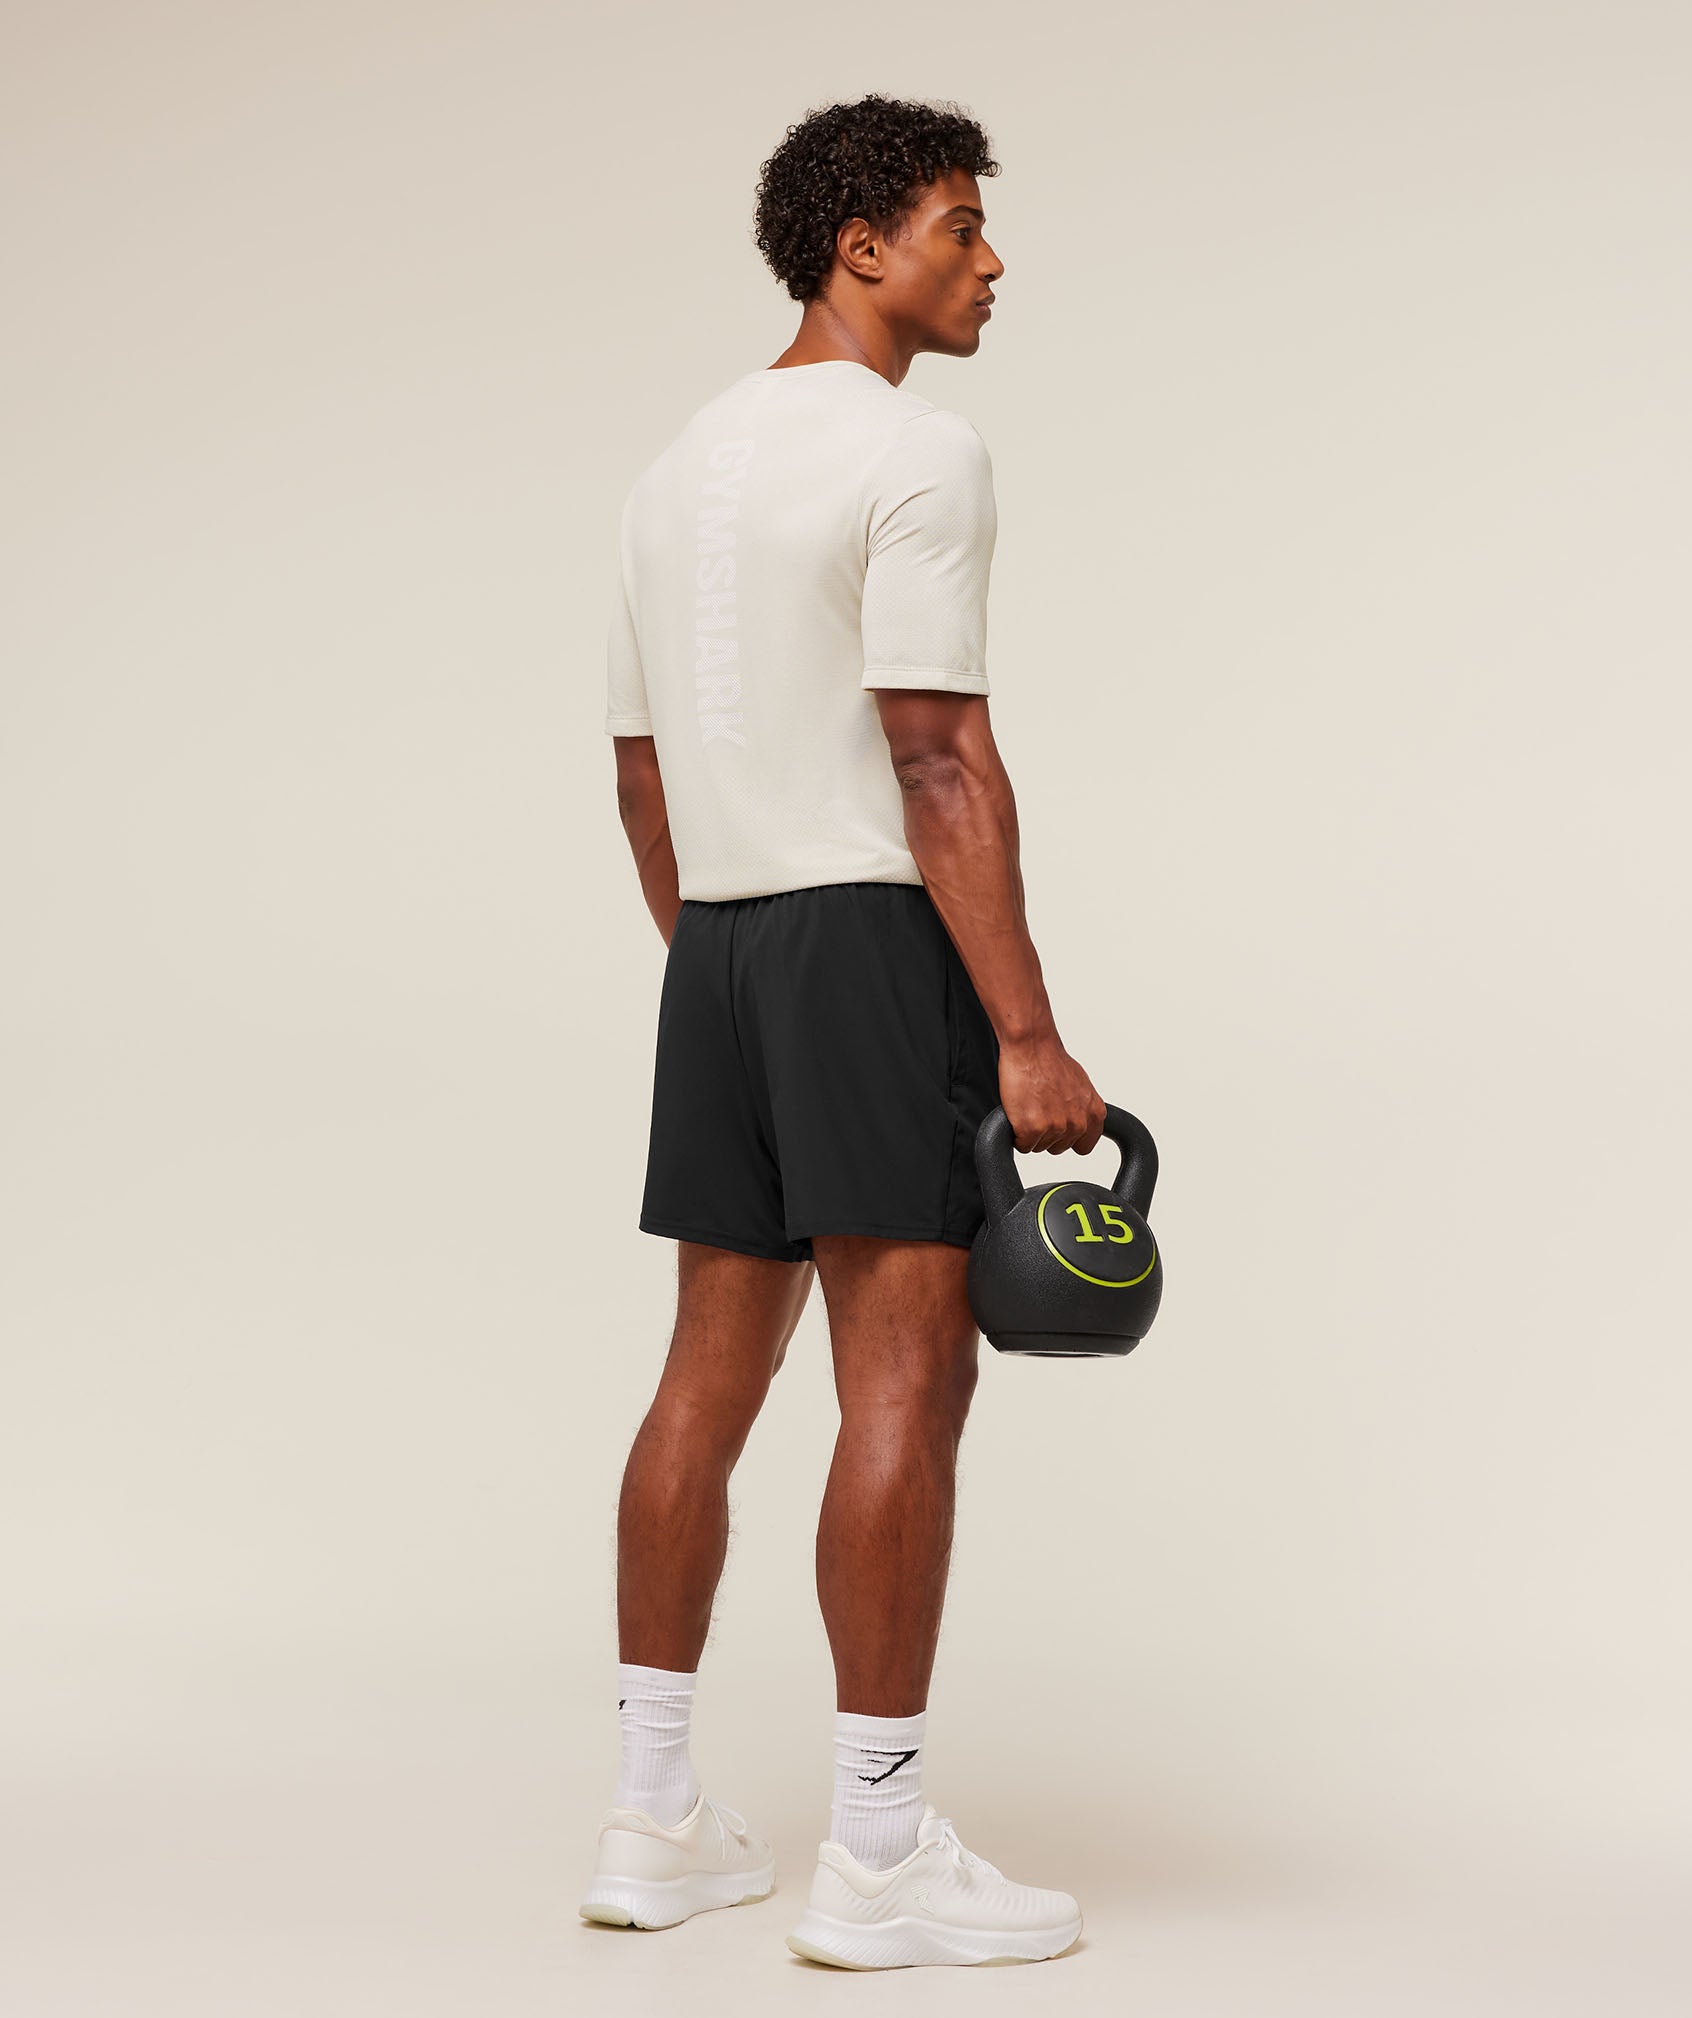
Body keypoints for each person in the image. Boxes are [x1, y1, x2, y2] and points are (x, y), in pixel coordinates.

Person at [582, 92, 1105, 1970]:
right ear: (859, 246)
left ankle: (652, 1816)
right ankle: (876, 1853)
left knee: (700, 1386)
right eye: (961, 225)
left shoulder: (672, 473)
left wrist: (730, 972)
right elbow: (938, 755)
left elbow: (642, 777)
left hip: (717, 949)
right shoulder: (916, 450)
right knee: (905, 1382)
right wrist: (1025, 1035)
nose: (992, 260)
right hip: (872, 943)